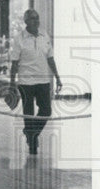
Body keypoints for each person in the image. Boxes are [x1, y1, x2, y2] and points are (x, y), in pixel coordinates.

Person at [9, 9, 62, 156]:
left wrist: (57, 77)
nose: (36, 21)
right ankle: (32, 144)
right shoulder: (19, 38)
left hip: (43, 80)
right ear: (26, 21)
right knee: (29, 113)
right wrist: (12, 84)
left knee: (46, 110)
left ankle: (31, 133)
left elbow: (50, 58)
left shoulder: (45, 35)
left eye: (37, 18)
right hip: (25, 81)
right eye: (33, 18)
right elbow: (14, 63)